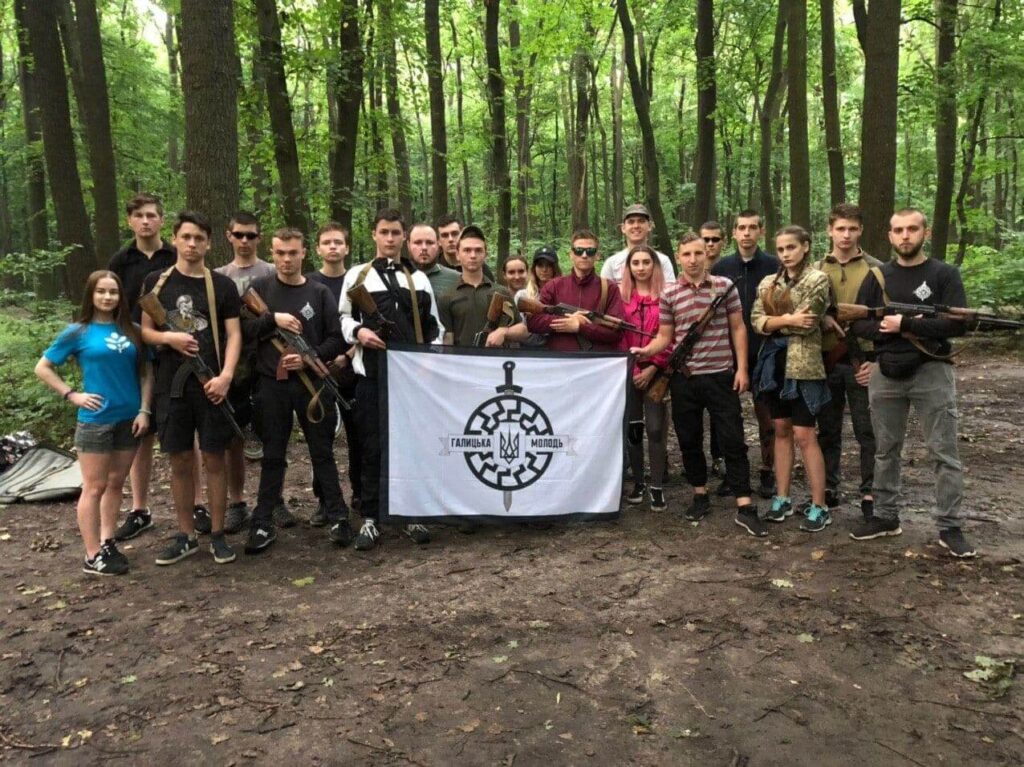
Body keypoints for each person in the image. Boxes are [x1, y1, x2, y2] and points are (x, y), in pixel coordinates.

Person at [849, 208, 975, 558]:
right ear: (889, 236)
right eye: (898, 230)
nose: (905, 236)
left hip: (931, 370)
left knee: (943, 451)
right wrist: (889, 328)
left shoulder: (944, 274)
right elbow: (858, 323)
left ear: (926, 232)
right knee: (885, 449)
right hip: (886, 372)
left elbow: (957, 324)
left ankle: (950, 526)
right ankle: (886, 517)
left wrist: (908, 325)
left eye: (912, 229)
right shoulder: (877, 277)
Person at [633, 234, 764, 536]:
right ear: (678, 257)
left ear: (706, 254)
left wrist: (742, 368)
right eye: (686, 254)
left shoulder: (724, 287)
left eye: (697, 253)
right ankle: (699, 493)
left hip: (721, 375)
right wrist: (646, 351)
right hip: (684, 378)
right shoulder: (669, 294)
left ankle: (744, 504)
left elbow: (738, 328)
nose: (692, 259)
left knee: (733, 439)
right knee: (689, 439)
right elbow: (666, 337)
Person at [140, 211, 242, 566]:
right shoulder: (157, 283)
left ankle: (216, 534)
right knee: (180, 459)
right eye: (186, 237)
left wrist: (226, 376)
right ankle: (185, 534)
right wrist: (169, 337)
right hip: (171, 386)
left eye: (199, 238)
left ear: (209, 242)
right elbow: (146, 331)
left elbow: (234, 334)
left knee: (215, 458)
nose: (192, 244)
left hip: (210, 384)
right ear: (175, 239)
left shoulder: (222, 286)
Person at [35, 271, 154, 575]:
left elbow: (145, 374)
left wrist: (144, 410)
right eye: (101, 291)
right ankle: (92, 554)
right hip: (95, 421)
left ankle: (107, 541)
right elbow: (43, 367)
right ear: (91, 295)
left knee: (116, 484)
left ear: (120, 297)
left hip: (129, 419)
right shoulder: (78, 332)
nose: (107, 297)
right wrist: (71, 394)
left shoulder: (133, 330)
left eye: (113, 292)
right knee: (94, 486)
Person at [340, 208, 444, 551]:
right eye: (383, 232)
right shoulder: (357, 275)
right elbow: (343, 317)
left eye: (395, 233)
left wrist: (429, 359)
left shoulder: (418, 279)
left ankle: (410, 512)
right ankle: (370, 517)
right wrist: (360, 332)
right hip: (371, 373)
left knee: (410, 446)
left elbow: (434, 327)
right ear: (374, 234)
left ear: (403, 237)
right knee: (371, 445)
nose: (389, 238)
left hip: (412, 379)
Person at [243, 229, 351, 554]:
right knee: (273, 454)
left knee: (322, 452)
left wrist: (307, 358)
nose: (286, 259)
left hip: (311, 386)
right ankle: (263, 521)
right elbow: (244, 330)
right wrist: (271, 319)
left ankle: (337, 515)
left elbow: (336, 338)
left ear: (305, 252)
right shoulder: (259, 290)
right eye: (280, 253)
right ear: (272, 253)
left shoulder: (318, 292)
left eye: (292, 253)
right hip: (270, 386)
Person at [750, 226, 832, 532]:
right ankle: (782, 498)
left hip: (804, 365)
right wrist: (786, 320)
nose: (786, 254)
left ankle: (819, 505)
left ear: (805, 247)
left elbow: (808, 322)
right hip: (774, 364)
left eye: (792, 248)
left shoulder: (817, 279)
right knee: (780, 429)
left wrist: (777, 323)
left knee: (804, 434)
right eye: (781, 249)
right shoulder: (768, 282)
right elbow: (757, 321)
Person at [108, 193, 176, 542]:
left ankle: (195, 503)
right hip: (136, 352)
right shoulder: (120, 261)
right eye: (139, 215)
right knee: (142, 430)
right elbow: (112, 305)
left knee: (183, 429)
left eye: (152, 215)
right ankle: (140, 508)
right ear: (130, 221)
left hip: (177, 350)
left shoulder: (176, 255)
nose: (146, 221)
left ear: (162, 220)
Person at [814, 202, 880, 518]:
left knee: (867, 430)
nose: (846, 235)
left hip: (863, 361)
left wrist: (877, 362)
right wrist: (823, 320)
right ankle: (828, 487)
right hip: (825, 360)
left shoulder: (877, 269)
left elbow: (887, 320)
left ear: (861, 231)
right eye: (840, 228)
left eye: (852, 229)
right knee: (827, 429)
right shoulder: (815, 270)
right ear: (830, 230)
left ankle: (870, 492)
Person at [711, 210, 781, 498]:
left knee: (767, 416)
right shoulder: (721, 268)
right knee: (728, 418)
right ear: (734, 232)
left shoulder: (775, 266)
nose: (747, 233)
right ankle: (733, 472)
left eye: (753, 227)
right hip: (728, 353)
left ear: (761, 231)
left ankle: (768, 471)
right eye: (742, 227)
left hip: (766, 351)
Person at [214, 212, 277, 534]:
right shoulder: (217, 276)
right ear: (229, 236)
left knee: (273, 435)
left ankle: (273, 500)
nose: (244, 241)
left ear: (259, 238)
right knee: (233, 440)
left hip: (267, 363)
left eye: (250, 235)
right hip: (233, 367)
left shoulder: (272, 272)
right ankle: (237, 502)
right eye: (239, 234)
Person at [306, 222, 361, 523]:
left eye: (338, 242)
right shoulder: (310, 283)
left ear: (347, 247)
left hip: (353, 368)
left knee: (357, 436)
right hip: (317, 371)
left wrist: (347, 356)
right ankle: (325, 499)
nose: (333, 247)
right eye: (327, 242)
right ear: (317, 248)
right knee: (320, 439)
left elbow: (364, 326)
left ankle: (360, 492)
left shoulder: (357, 282)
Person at [618, 245, 670, 511]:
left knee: (656, 428)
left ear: (654, 265)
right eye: (635, 262)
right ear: (629, 267)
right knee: (635, 428)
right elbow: (619, 335)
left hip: (658, 371)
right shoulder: (621, 298)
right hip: (629, 372)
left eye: (646, 262)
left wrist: (653, 367)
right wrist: (634, 369)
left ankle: (657, 485)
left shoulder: (666, 297)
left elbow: (671, 337)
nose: (641, 267)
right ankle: (638, 481)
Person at [526, 229, 625, 352]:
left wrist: (581, 326)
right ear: (571, 255)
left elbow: (617, 332)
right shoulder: (553, 286)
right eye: (579, 251)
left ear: (597, 256)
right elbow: (533, 322)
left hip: (597, 364)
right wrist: (567, 322)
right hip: (559, 363)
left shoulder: (609, 288)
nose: (584, 255)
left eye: (590, 251)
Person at [437, 225, 528, 347]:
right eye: (467, 250)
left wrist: (504, 332)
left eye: (478, 250)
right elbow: (447, 341)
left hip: (496, 363)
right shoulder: (447, 297)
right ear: (458, 254)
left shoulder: (501, 292)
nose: (473, 255)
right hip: (461, 363)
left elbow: (523, 330)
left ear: (485, 254)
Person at [699, 220, 727, 479]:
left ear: (723, 242)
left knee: (722, 415)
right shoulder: (687, 270)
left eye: (714, 240)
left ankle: (720, 458)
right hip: (693, 357)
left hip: (721, 353)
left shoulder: (728, 272)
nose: (709, 244)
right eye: (705, 239)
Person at [600, 203, 675, 285]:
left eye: (641, 221)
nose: (636, 226)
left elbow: (670, 294)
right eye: (631, 222)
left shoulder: (662, 261)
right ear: (623, 228)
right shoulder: (612, 263)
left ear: (649, 226)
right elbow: (605, 293)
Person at [436, 213, 496, 281]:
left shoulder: (480, 268)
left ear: (462, 235)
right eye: (445, 235)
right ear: (438, 241)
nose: (450, 239)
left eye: (455, 234)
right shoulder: (434, 267)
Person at [408, 222, 461, 297]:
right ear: (408, 244)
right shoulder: (397, 277)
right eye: (418, 242)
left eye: (430, 243)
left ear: (437, 244)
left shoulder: (456, 279)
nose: (424, 248)